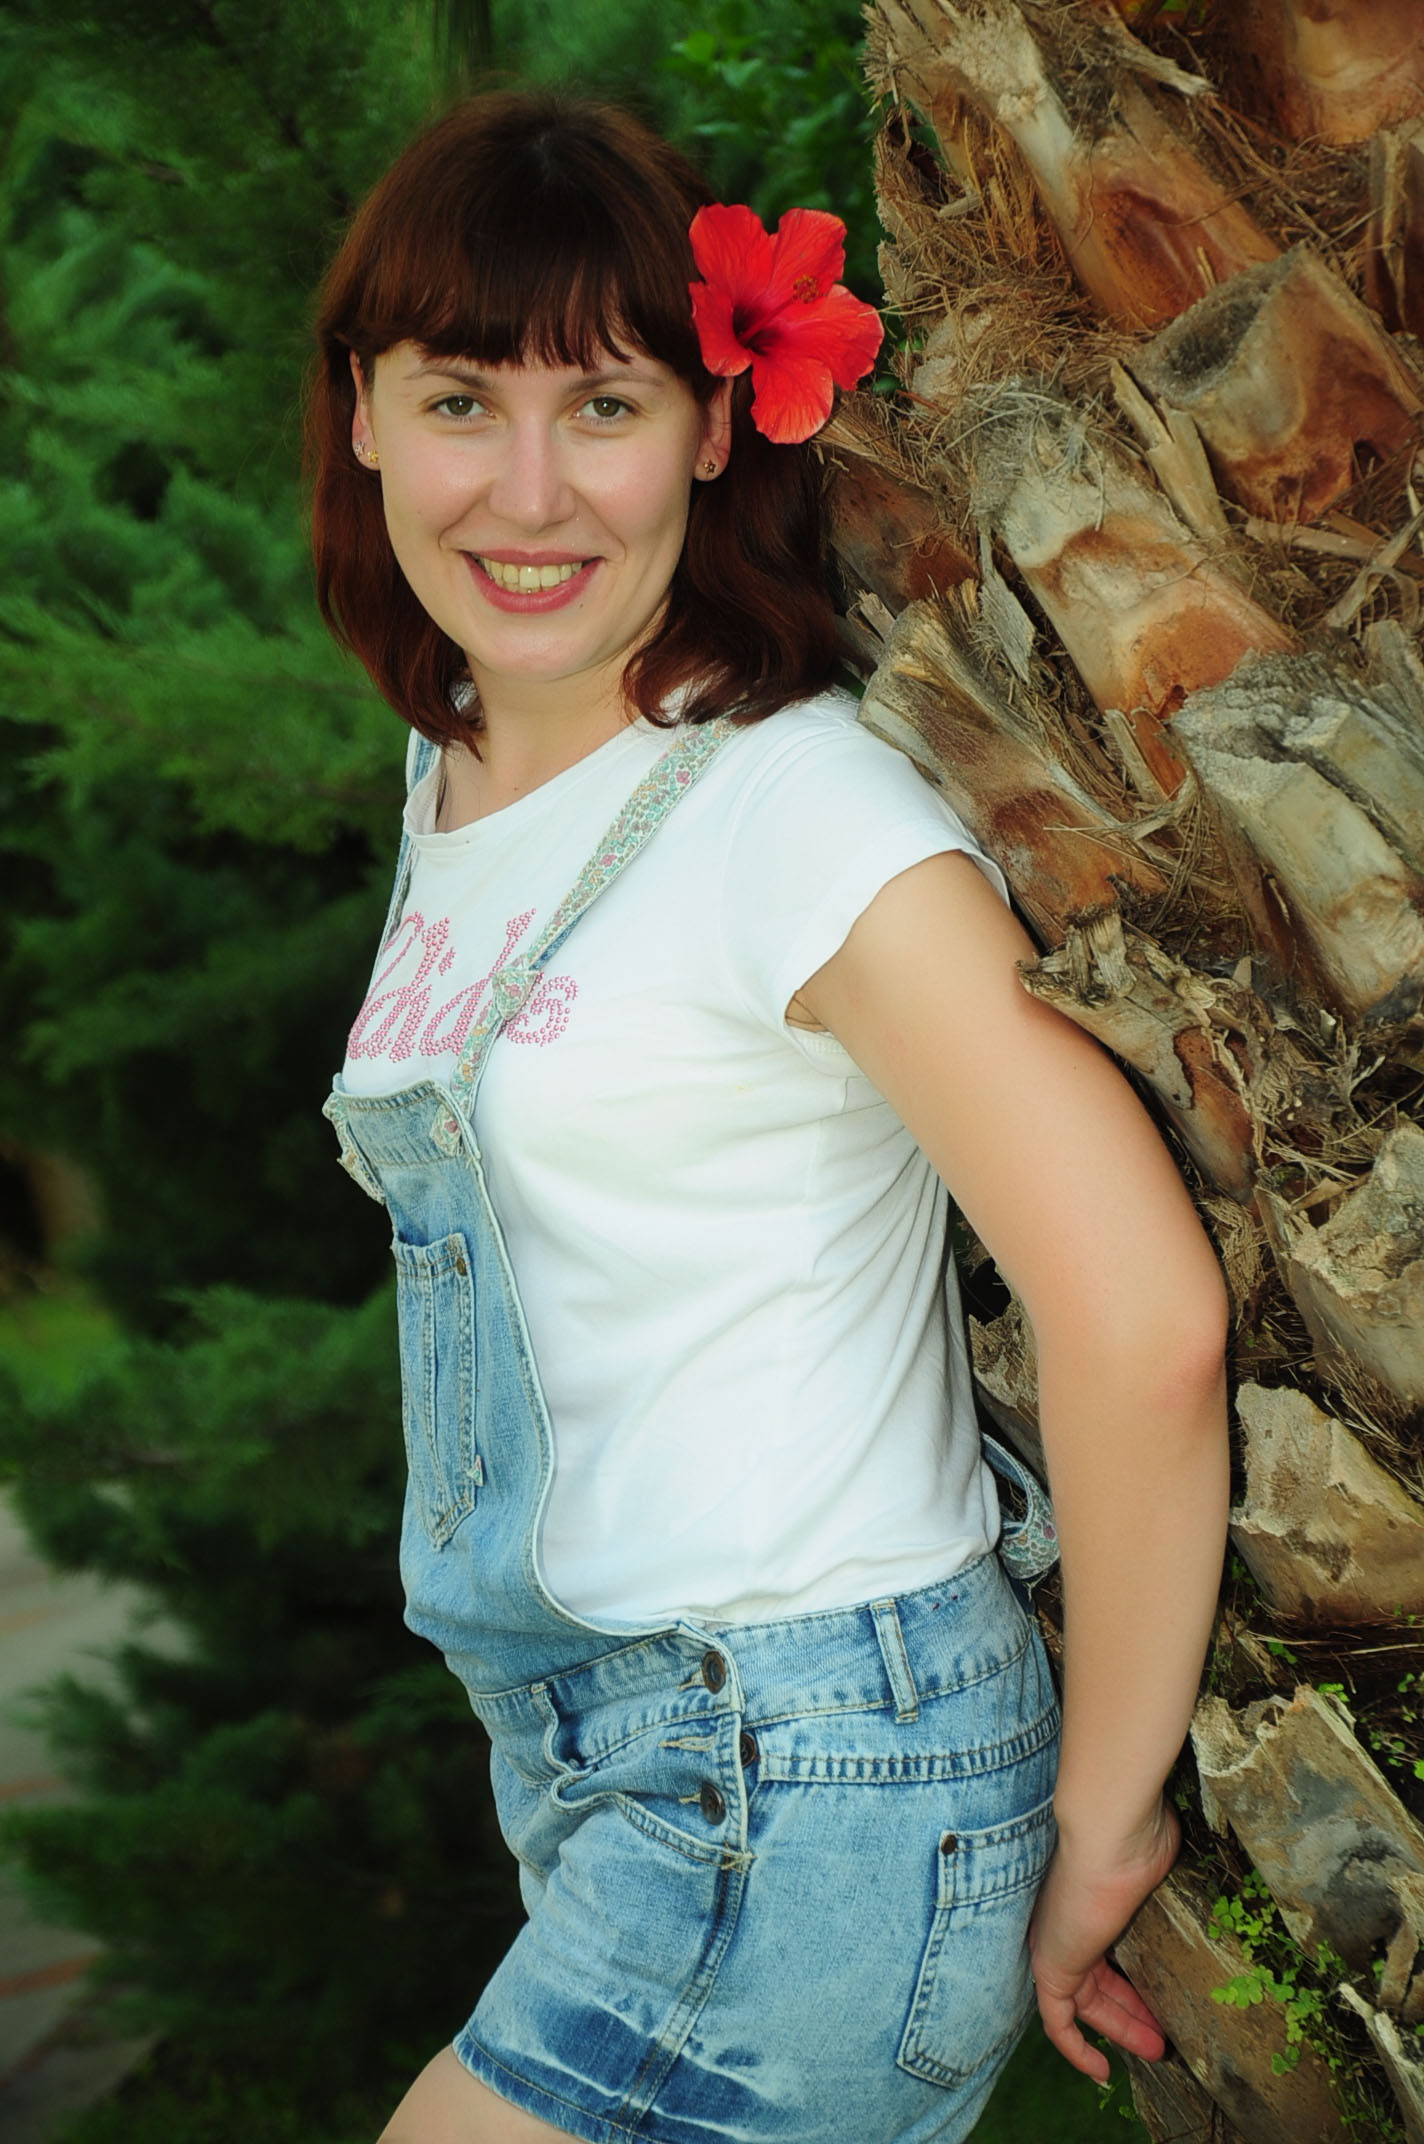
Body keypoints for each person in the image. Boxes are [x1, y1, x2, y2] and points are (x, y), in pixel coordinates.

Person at [308, 89, 1229, 2144]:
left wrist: (1104, 1824)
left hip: (804, 1778)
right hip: (604, 1771)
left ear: (715, 429)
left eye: (603, 407)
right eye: (459, 402)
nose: (528, 491)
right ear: (361, 413)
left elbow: (1142, 1324)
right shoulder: (456, 766)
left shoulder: (796, 816)